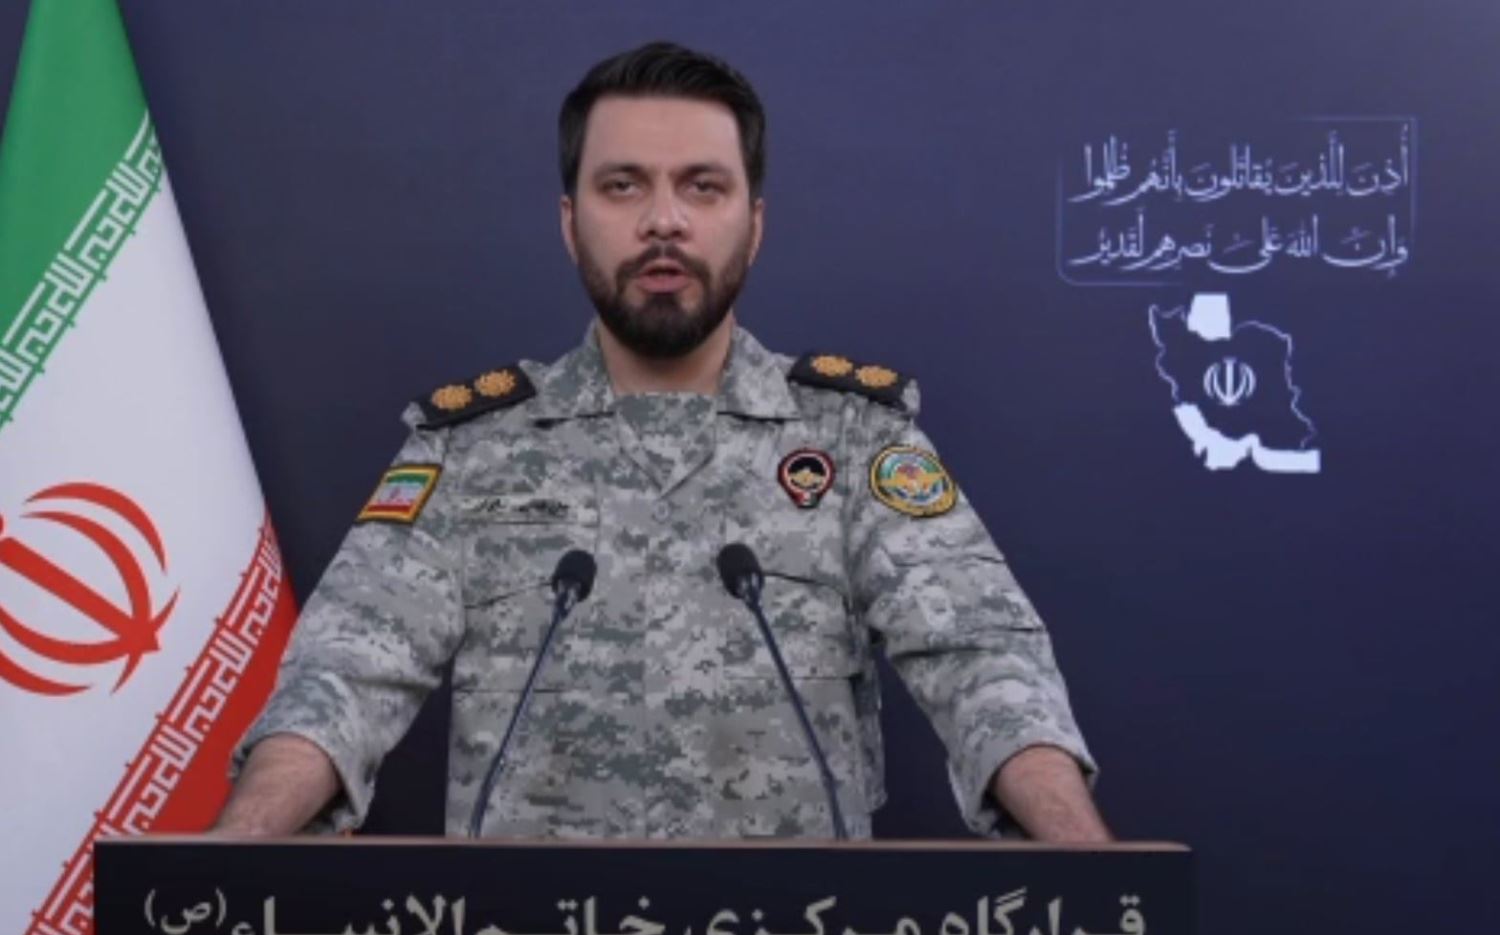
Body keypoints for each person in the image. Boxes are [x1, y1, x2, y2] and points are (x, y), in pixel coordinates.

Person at [217, 41, 1110, 842]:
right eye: (623, 185)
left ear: (754, 224)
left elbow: (985, 662)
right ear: (569, 222)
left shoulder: (853, 436)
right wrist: (231, 853)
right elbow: (344, 674)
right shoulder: (470, 448)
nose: (664, 220)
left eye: (702, 186)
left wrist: (1090, 866)